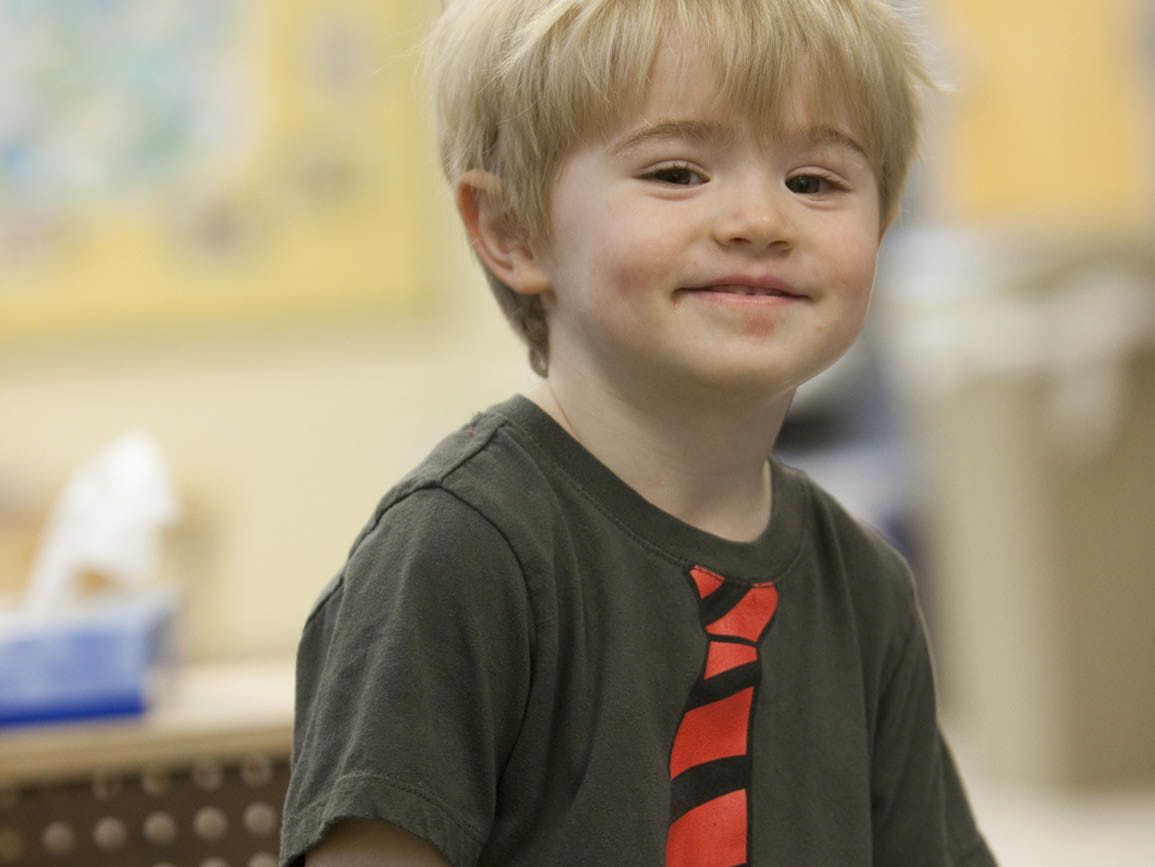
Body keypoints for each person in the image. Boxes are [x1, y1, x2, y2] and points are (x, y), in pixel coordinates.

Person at [281, 0, 998, 864]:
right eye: (675, 172)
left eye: (813, 182)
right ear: (512, 230)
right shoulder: (455, 554)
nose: (759, 220)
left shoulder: (866, 588)